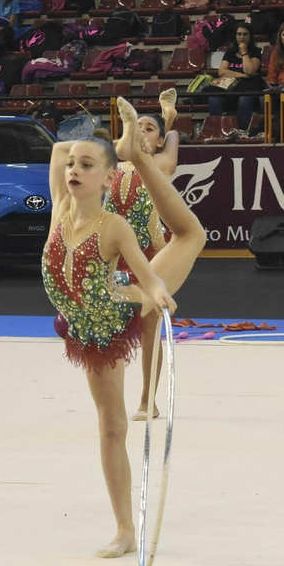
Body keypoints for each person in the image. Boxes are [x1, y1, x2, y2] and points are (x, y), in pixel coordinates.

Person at [44, 96, 203, 558]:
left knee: (191, 235)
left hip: (123, 306)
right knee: (111, 428)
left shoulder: (113, 225)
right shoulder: (58, 209)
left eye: (86, 165)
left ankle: (140, 160)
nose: (73, 169)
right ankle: (124, 531)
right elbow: (56, 153)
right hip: (90, 327)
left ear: (109, 178)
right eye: (74, 164)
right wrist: (106, 144)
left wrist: (155, 294)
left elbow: (147, 276)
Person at [103, 89, 181, 420]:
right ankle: (110, 399)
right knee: (109, 331)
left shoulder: (160, 163)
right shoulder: (115, 164)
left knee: (150, 330)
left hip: (152, 256)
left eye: (150, 128)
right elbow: (123, 148)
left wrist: (169, 120)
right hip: (114, 256)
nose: (143, 131)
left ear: (160, 140)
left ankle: (148, 400)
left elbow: (172, 145)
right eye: (140, 126)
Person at [206, 23, 266, 133]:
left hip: (248, 91)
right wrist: (243, 75)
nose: (241, 37)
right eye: (239, 34)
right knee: (213, 100)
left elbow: (250, 70)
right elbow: (222, 71)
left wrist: (244, 52)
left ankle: (242, 131)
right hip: (231, 90)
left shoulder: (256, 52)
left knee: (244, 99)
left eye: (245, 34)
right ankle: (218, 131)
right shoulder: (230, 52)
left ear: (250, 36)